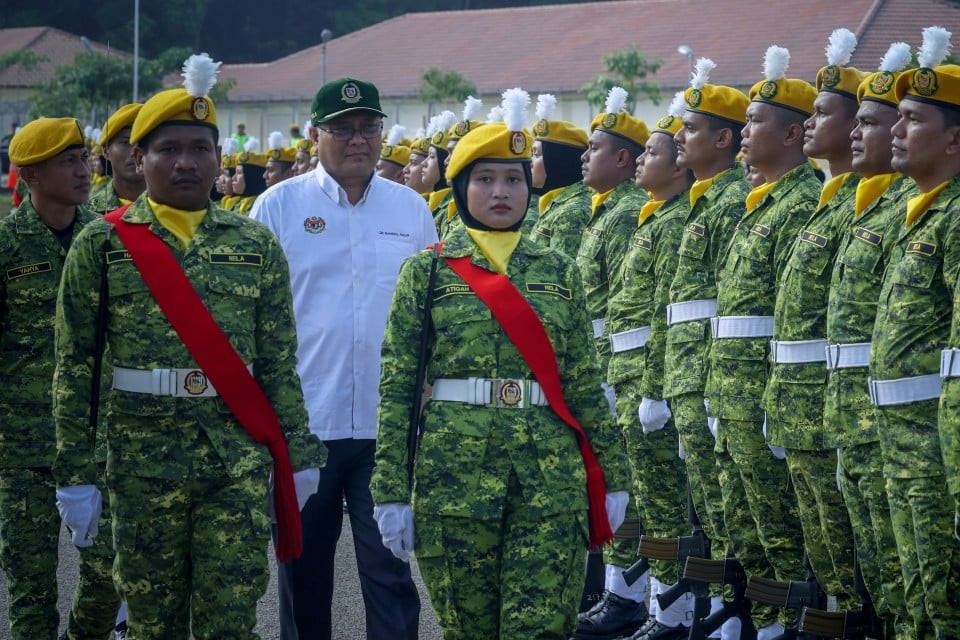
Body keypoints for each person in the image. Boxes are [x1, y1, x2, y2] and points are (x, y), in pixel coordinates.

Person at [52, 54, 325, 639]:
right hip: (140, 464)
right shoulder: (100, 246)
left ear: (218, 158)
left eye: (200, 148)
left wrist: (298, 452)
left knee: (230, 623)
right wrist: (75, 474)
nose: (184, 162)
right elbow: (74, 368)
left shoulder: (255, 244)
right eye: (167, 149)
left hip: (236, 461)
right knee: (155, 624)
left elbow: (278, 361)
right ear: (137, 158)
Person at [370, 87, 630, 640]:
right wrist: (391, 489)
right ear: (462, 187)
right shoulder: (429, 272)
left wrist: (613, 474)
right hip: (453, 484)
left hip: (550, 485)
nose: (501, 192)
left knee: (541, 631)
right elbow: (396, 388)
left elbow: (584, 381)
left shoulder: (559, 269)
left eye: (513, 178)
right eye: (485, 179)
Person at [250, 77, 435, 640]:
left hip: (387, 427)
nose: (359, 140)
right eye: (343, 129)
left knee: (390, 575)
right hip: (307, 425)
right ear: (314, 135)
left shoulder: (410, 210)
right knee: (303, 577)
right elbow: (253, 317)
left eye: (369, 128)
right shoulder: (277, 207)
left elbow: (431, 309)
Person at [705, 45, 817, 638]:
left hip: (764, 395)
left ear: (793, 133)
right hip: (731, 391)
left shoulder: (800, 204)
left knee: (782, 531)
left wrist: (774, 400)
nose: (745, 132)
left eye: (756, 122)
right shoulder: (761, 204)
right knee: (745, 526)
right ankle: (762, 624)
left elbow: (790, 317)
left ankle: (783, 624)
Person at [1, 118, 120, 640]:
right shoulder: (7, 246)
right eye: (67, 160)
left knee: (106, 581)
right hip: (24, 450)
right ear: (30, 174)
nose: (84, 169)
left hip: (97, 443)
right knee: (31, 592)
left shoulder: (107, 239)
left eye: (84, 157)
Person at [764, 28, 864, 618]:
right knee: (824, 551)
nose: (808, 127)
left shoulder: (853, 206)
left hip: (846, 410)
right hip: (805, 399)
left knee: (854, 558)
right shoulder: (826, 199)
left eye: (822, 114)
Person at [825, 41, 914, 638]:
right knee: (880, 580)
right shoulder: (856, 207)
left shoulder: (914, 212)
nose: (859, 133)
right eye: (853, 121)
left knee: (913, 584)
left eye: (873, 122)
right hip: (846, 415)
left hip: (902, 431)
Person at [874, 27, 960, 639]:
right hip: (899, 443)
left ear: (954, 140)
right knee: (914, 605)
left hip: (937, 452)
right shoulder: (918, 212)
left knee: (943, 603)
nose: (895, 134)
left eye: (910, 121)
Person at [606, 93, 694, 640]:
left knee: (665, 503)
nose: (641, 160)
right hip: (628, 372)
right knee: (642, 494)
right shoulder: (650, 218)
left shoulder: (673, 221)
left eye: (653, 152)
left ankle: (672, 612)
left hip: (654, 377)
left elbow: (666, 310)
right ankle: (646, 602)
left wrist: (654, 387)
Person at [669, 58, 752, 637]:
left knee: (735, 516)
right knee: (715, 512)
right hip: (690, 379)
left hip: (716, 381)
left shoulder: (729, 202)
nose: (679, 136)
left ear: (723, 138)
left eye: (691, 128)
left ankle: (745, 622)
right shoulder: (706, 199)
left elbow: (729, 308)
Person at [573, 86, 650, 640]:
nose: (584, 156)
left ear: (622, 158)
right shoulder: (607, 212)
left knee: (630, 485)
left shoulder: (625, 215)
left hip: (618, 367)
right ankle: (622, 594)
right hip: (601, 362)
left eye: (595, 147)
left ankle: (632, 597)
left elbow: (627, 308)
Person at [528, 93, 592, 258]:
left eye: (536, 154)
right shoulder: (556, 203)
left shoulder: (572, 212)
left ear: (556, 160)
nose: (530, 162)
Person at [88, 103, 145, 214]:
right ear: (106, 151)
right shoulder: (87, 214)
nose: (135, 152)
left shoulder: (173, 210)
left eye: (142, 142)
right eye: (125, 142)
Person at [233, 139, 267, 215]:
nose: (233, 178)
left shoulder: (262, 206)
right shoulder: (238, 204)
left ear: (251, 177)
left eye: (239, 173)